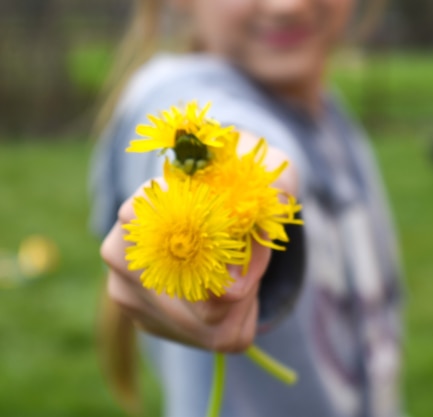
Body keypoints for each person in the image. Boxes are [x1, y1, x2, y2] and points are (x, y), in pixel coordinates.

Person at [91, 0, 402, 416]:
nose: (286, 5)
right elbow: (216, 126)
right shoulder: (172, 94)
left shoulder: (334, 118)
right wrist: (235, 179)